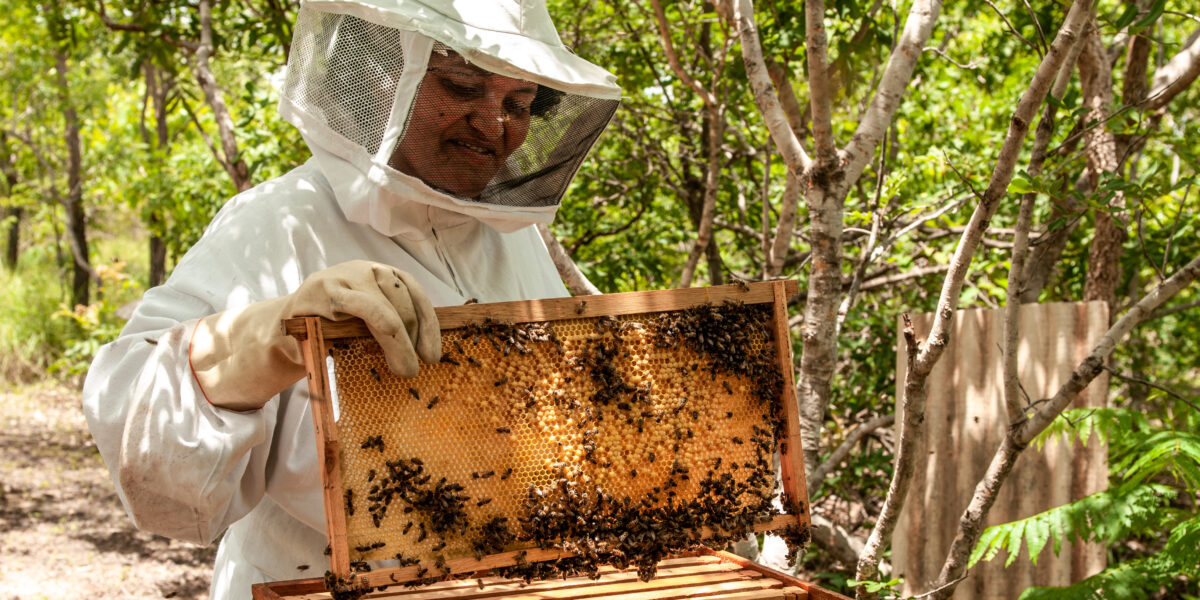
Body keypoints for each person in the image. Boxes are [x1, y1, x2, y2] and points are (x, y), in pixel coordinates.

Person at [81, 1, 621, 598]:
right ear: (387, 74)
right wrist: (274, 336)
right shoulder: (278, 222)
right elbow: (137, 422)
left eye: (519, 105)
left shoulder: (508, 239)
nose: (495, 126)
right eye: (465, 86)